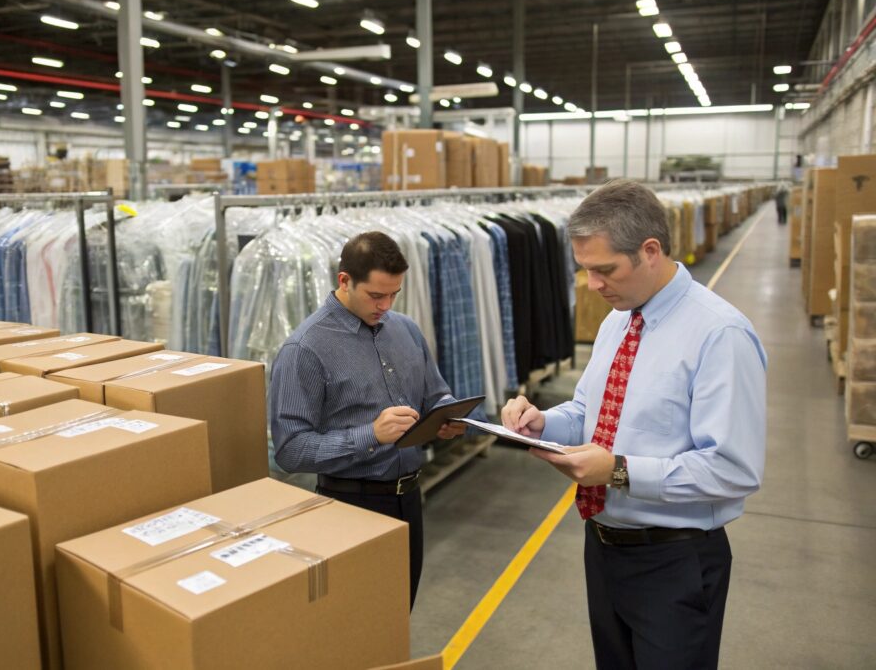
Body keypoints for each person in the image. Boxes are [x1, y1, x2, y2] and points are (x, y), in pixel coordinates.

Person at [502, 180, 767, 669]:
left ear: (650, 251)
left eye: (605, 270)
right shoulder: (618, 319)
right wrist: (543, 422)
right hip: (603, 548)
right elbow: (588, 411)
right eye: (585, 271)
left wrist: (619, 471)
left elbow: (733, 468)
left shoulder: (719, 335)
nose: (594, 286)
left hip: (674, 560)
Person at [270, 231, 467, 610]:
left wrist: (447, 414)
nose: (386, 305)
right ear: (344, 281)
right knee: (357, 622)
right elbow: (291, 451)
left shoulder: (405, 329)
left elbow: (435, 393)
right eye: (376, 295)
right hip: (348, 504)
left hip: (409, 498)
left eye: (394, 294)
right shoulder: (304, 349)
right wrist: (370, 435)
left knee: (399, 612)